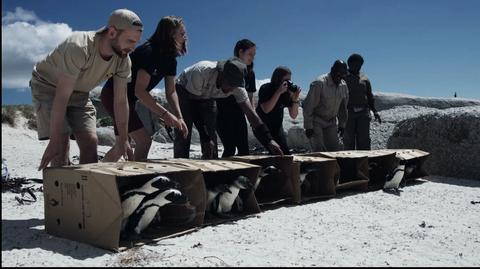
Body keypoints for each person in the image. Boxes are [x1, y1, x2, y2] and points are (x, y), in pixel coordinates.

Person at [31, 9, 144, 170]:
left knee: (90, 142)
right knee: (61, 144)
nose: (133, 48)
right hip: (48, 86)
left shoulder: (123, 60)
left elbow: (120, 101)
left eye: (136, 42)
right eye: (130, 41)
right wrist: (54, 141)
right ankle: (63, 192)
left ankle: (87, 190)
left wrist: (122, 140)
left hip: (81, 92)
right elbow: (62, 96)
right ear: (112, 32)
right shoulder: (79, 46)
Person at [100, 16, 188, 161]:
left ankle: (100, 176)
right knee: (144, 141)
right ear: (169, 35)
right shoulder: (149, 52)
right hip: (114, 95)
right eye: (181, 34)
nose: (185, 37)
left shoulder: (171, 59)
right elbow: (139, 91)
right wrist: (165, 114)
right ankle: (135, 180)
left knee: (121, 146)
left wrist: (179, 117)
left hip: (129, 99)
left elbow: (171, 91)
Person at [174, 57, 283, 159]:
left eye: (235, 86)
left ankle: (210, 170)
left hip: (207, 95)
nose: (232, 89)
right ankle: (179, 170)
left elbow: (251, 115)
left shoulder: (237, 88)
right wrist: (204, 136)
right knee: (184, 129)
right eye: (230, 84)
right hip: (185, 90)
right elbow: (194, 107)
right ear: (221, 75)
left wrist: (269, 140)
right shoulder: (202, 72)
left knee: (211, 133)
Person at [216, 39, 257, 157]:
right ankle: (226, 174)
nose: (252, 58)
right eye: (250, 54)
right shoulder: (228, 66)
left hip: (239, 112)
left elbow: (250, 95)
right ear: (240, 52)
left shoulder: (250, 73)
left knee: (244, 149)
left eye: (254, 55)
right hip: (222, 111)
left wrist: (252, 114)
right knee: (229, 148)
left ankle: (244, 175)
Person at [303, 60, 349, 152]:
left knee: (335, 149)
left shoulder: (343, 86)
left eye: (343, 75)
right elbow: (309, 106)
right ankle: (317, 166)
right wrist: (308, 126)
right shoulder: (319, 83)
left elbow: (343, 107)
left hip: (331, 122)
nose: (340, 77)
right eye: (338, 74)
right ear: (332, 70)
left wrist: (342, 124)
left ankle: (334, 167)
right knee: (319, 150)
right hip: (316, 121)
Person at [256, 66, 300, 154]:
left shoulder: (286, 93)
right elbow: (266, 109)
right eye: (286, 80)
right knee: (276, 152)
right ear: (278, 79)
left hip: (277, 128)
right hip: (262, 126)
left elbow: (293, 115)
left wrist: (295, 99)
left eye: (289, 80)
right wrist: (278, 92)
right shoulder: (266, 88)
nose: (288, 83)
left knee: (285, 153)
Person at [343, 53, 381, 150]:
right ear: (349, 64)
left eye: (360, 65)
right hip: (349, 113)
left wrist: (374, 111)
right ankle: (349, 164)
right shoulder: (343, 78)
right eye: (355, 65)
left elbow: (369, 95)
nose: (358, 67)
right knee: (349, 140)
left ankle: (363, 163)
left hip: (363, 113)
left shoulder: (365, 78)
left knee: (364, 140)